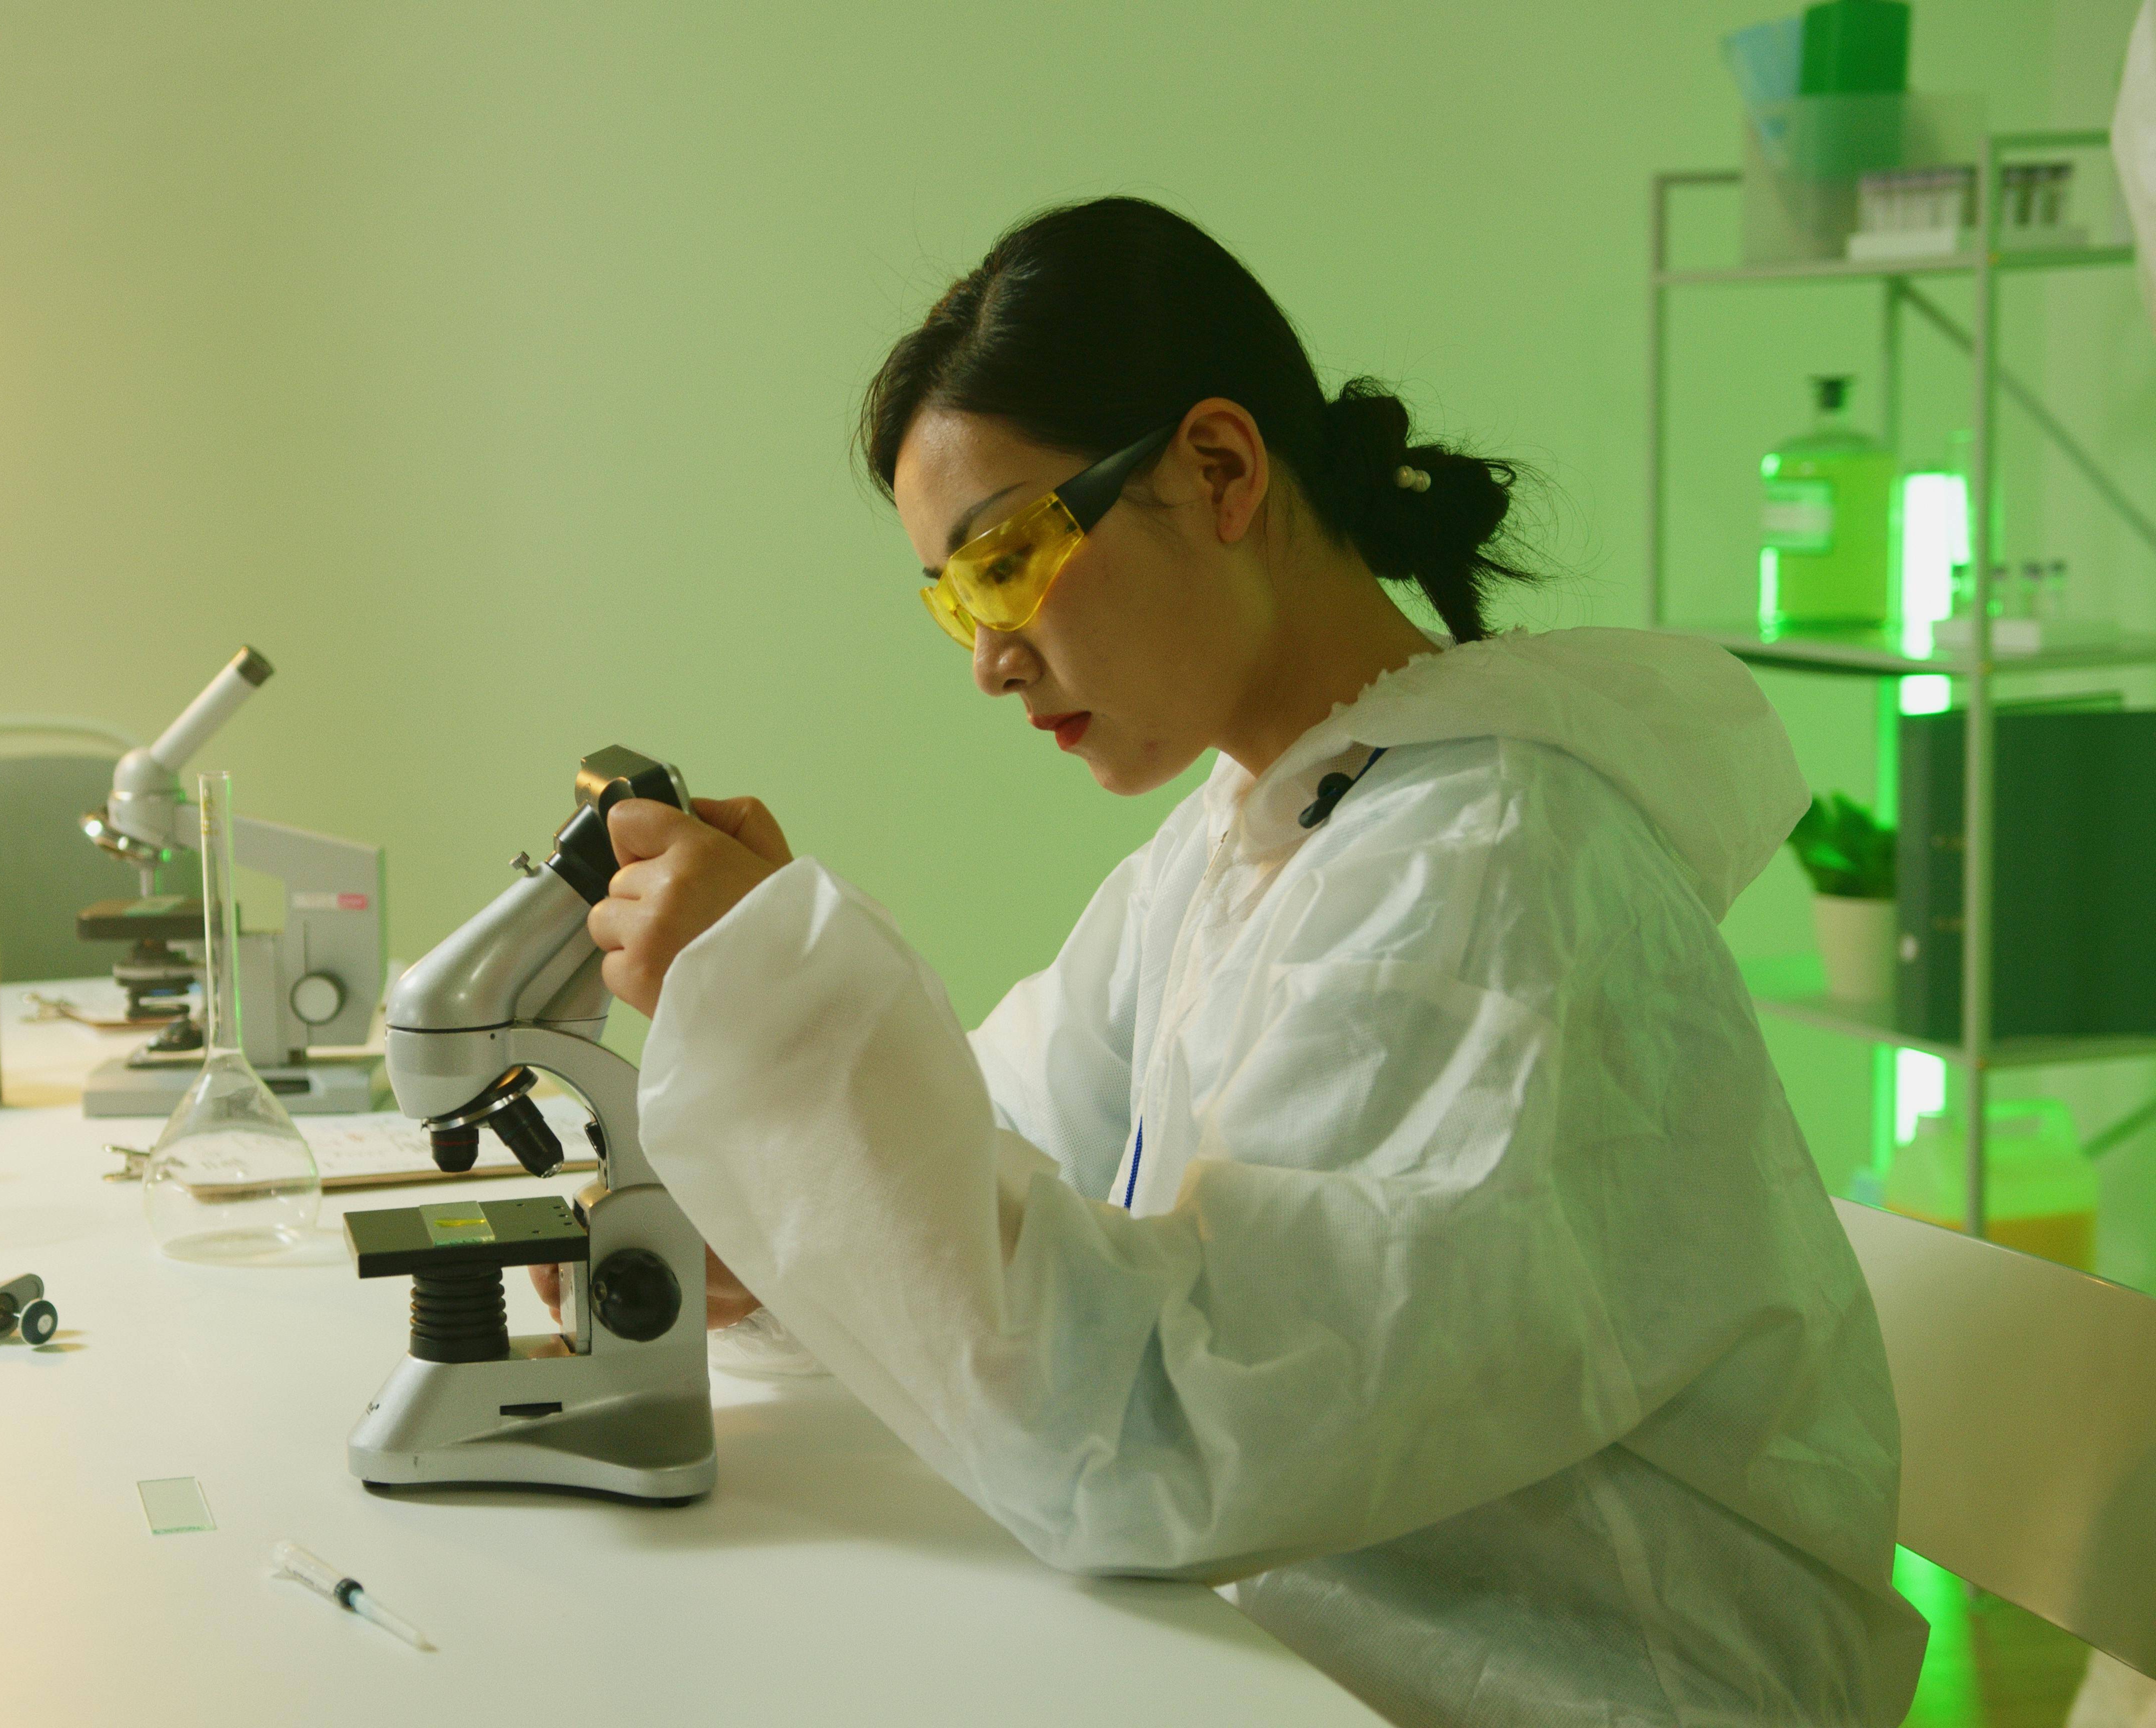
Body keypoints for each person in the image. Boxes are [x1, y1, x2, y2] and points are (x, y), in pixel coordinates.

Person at [579, 198, 1931, 1726]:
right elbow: (1012, 1140)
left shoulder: (1487, 866)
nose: (987, 656)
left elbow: (1155, 1439)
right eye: (955, 598)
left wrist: (780, 1015)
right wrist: (774, 1226)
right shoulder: (1260, 830)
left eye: (1007, 559)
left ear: (1219, 470)